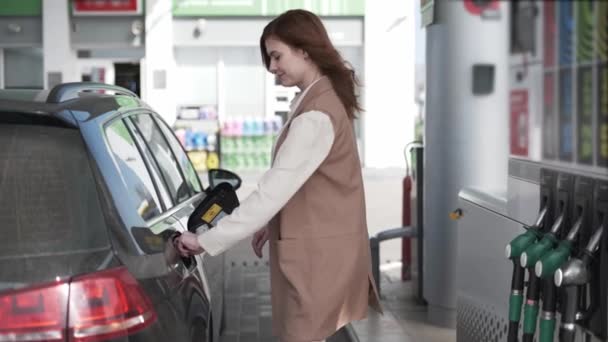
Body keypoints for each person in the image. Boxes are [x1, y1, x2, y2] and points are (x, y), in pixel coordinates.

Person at [176, 9, 382, 342]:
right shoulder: (321, 99)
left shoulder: (315, 115)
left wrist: (205, 240)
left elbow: (270, 193)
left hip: (318, 261)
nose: (271, 67)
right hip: (325, 254)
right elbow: (301, 185)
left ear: (305, 50)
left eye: (276, 56)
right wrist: (272, 223)